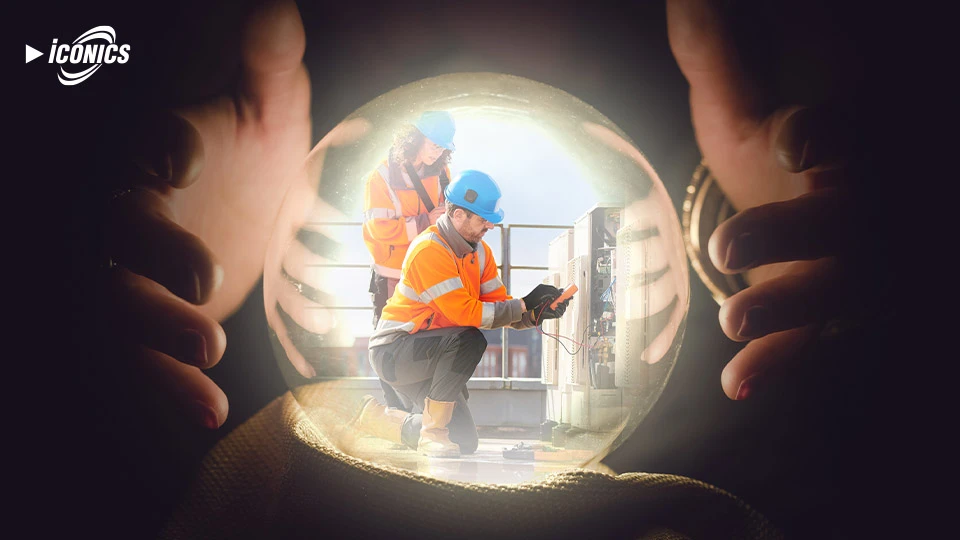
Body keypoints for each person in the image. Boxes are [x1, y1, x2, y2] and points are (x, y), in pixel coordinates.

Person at [45, 0, 914, 537]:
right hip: (398, 358)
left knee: (465, 371)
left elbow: (488, 308)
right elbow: (449, 315)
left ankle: (439, 430)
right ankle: (430, 430)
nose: (471, 223)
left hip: (444, 361)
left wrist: (548, 306)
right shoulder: (418, 238)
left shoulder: (483, 246)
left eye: (477, 215)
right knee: (452, 364)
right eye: (466, 210)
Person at [351, 170, 569, 457]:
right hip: (395, 352)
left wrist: (534, 314)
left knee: (464, 441)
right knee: (470, 339)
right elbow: (465, 314)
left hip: (431, 351)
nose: (489, 226)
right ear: (457, 215)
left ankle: (376, 419)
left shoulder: (480, 254)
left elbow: (499, 306)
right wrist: (524, 303)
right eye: (482, 219)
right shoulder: (428, 250)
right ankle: (432, 434)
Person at [363, 111, 456, 327]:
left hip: (428, 273)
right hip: (391, 277)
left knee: (425, 344)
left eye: (443, 147)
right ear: (415, 139)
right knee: (390, 343)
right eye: (435, 145)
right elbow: (379, 229)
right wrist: (425, 222)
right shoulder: (380, 177)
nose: (439, 152)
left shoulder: (443, 172)